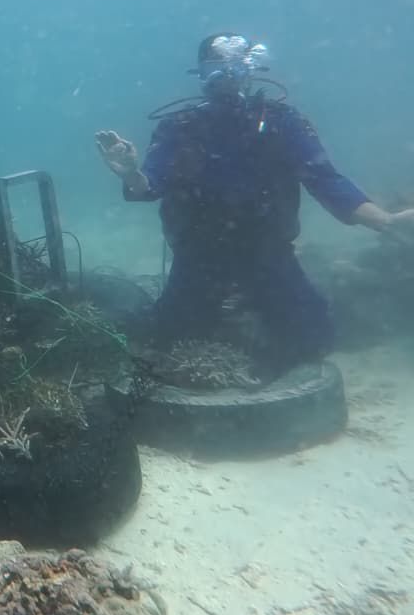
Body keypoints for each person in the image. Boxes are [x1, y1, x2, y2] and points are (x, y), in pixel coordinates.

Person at [95, 33, 414, 378]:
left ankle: (252, 312)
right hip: (199, 255)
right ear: (201, 74)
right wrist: (129, 173)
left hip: (268, 251)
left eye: (233, 69)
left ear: (250, 71)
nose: (225, 79)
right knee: (168, 337)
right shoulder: (179, 127)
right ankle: (218, 312)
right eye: (215, 69)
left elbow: (326, 181)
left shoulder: (283, 122)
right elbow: (149, 186)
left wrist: (384, 221)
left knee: (314, 337)